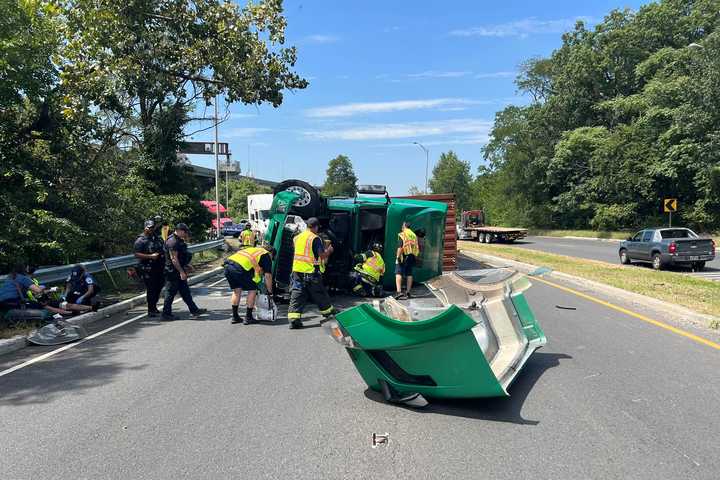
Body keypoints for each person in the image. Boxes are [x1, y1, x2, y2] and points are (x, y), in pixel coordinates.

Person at [287, 217, 336, 329]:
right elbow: (322, 255)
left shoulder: (297, 237)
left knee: (297, 294)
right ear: (316, 227)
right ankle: (328, 314)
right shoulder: (315, 238)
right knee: (319, 293)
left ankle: (294, 319)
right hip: (310, 272)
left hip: (297, 271)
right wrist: (329, 251)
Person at [162, 223, 206, 321]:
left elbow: (181, 256)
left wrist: (186, 265)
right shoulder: (172, 242)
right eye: (185, 232)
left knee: (185, 291)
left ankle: (194, 310)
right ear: (180, 231)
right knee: (170, 293)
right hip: (172, 271)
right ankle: (166, 314)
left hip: (178, 269)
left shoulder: (178, 240)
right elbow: (174, 259)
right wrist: (181, 272)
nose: (186, 234)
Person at [224, 244, 275, 324]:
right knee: (252, 290)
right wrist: (270, 291)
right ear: (271, 253)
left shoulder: (253, 250)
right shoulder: (265, 254)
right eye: (272, 258)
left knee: (237, 291)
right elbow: (268, 276)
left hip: (228, 266)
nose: (271, 260)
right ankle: (248, 317)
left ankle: (235, 317)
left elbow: (255, 268)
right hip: (240, 268)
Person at [26, 266, 91, 316]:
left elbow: (41, 291)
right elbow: (37, 292)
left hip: (44, 300)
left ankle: (91, 307)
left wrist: (50, 290)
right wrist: (51, 290)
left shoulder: (34, 280)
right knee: (52, 309)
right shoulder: (26, 282)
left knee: (66, 305)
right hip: (37, 302)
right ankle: (73, 312)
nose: (33, 274)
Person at [134, 219, 166, 317]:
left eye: (153, 227)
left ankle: (154, 306)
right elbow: (136, 254)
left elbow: (163, 248)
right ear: (145, 228)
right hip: (147, 268)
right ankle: (151, 309)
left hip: (159, 267)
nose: (152, 229)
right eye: (150, 228)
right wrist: (150, 256)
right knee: (151, 289)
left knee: (159, 287)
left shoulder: (157, 238)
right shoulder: (140, 240)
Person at [395, 221, 420, 299]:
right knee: (409, 273)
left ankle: (399, 292)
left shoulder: (403, 234)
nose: (402, 227)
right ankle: (408, 292)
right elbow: (416, 246)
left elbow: (400, 246)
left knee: (398, 272)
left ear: (404, 226)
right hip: (412, 255)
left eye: (402, 225)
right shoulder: (413, 235)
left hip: (404, 254)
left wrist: (398, 257)